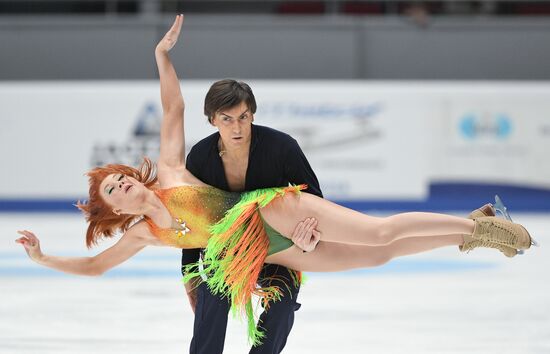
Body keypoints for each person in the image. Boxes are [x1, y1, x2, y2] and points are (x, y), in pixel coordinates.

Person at [15, 15, 534, 347]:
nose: (123, 186)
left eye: (120, 179)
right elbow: (95, 266)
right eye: (112, 193)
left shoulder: (174, 169)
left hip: (270, 212)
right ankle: (476, 227)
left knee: (377, 233)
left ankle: (480, 229)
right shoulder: (144, 235)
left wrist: (162, 57)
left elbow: (172, 106)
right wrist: (42, 258)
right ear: (116, 212)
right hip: (267, 253)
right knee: (380, 255)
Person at [182, 78, 322, 354]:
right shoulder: (199, 157)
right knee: (212, 298)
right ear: (212, 120)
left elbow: (315, 200)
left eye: (243, 117)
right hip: (226, 249)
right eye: (227, 119)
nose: (236, 127)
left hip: (278, 247)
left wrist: (309, 243)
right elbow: (191, 219)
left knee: (281, 304)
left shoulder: (282, 147)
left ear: (252, 115)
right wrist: (189, 274)